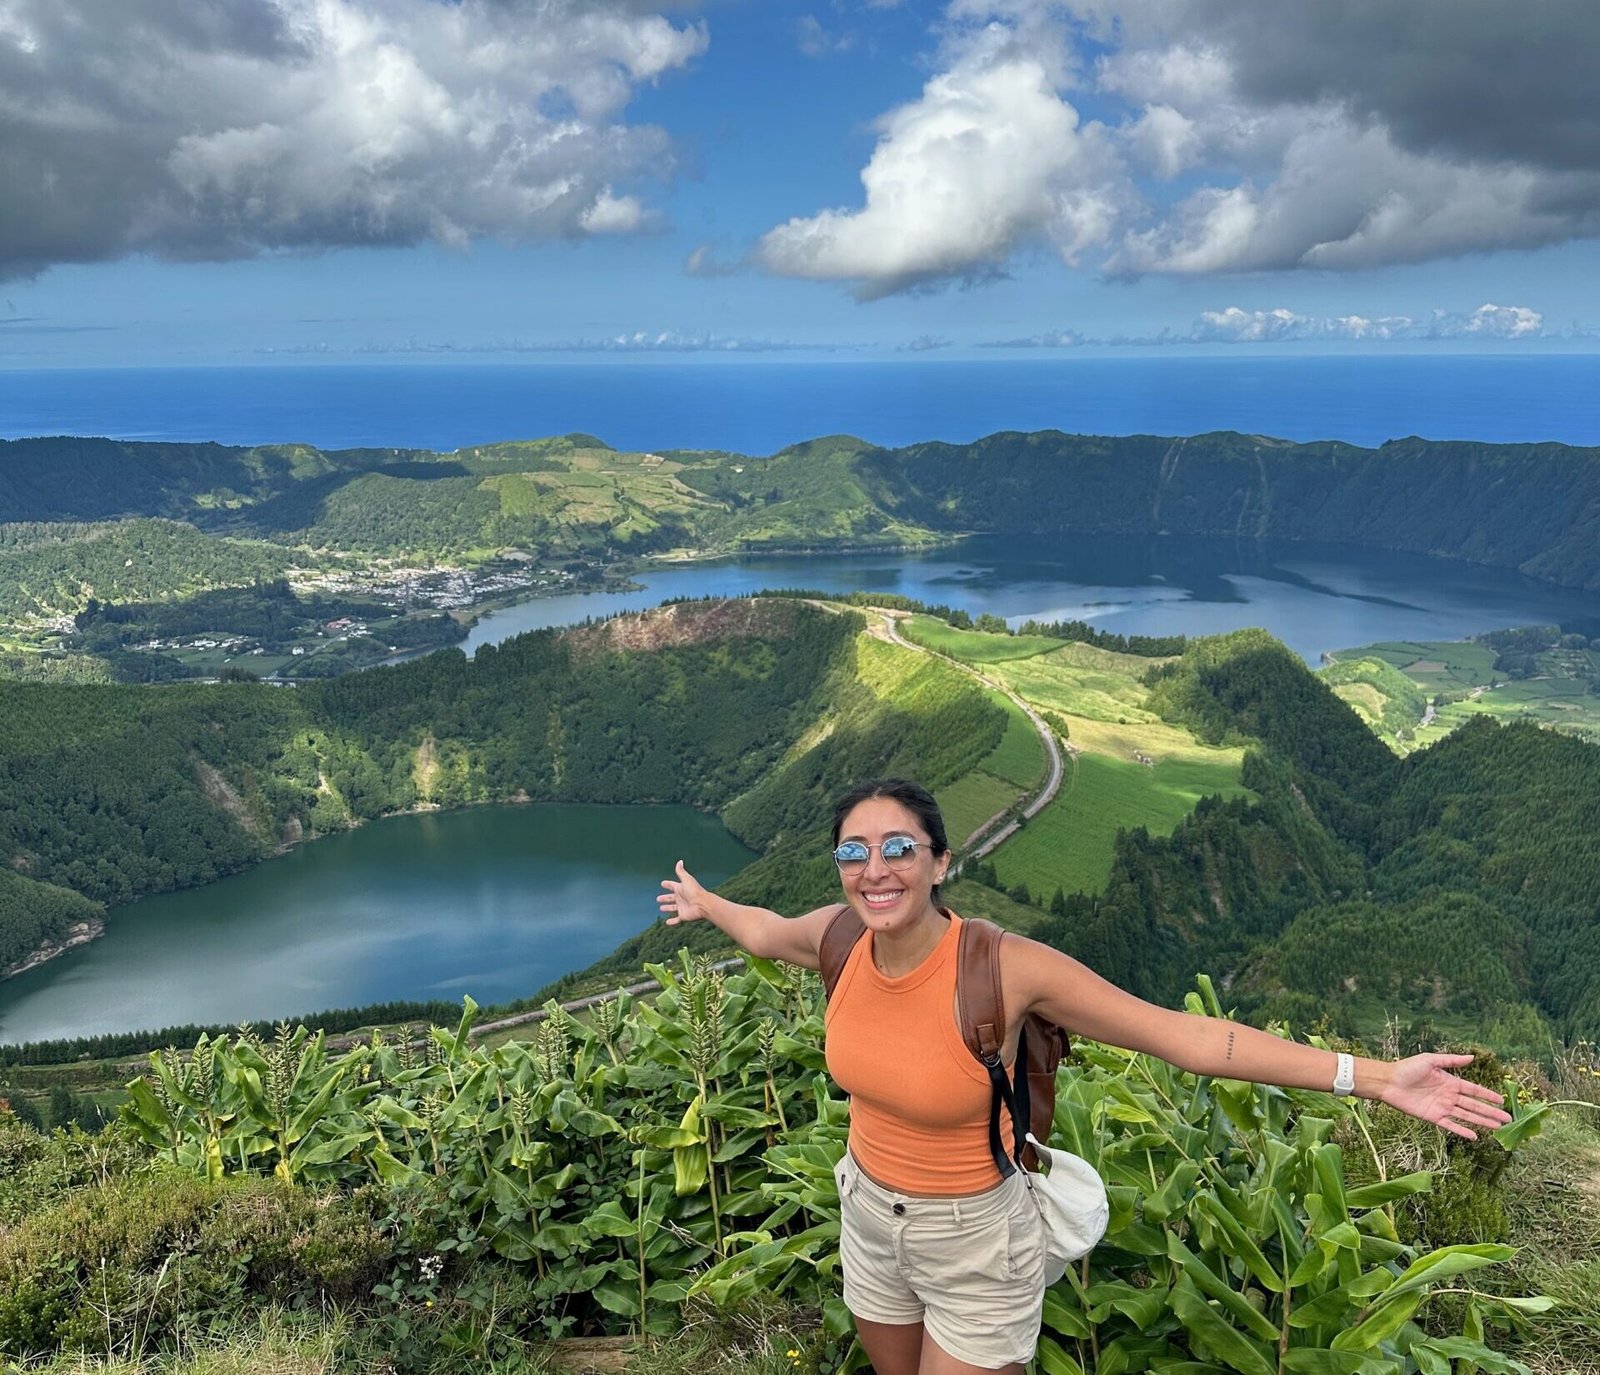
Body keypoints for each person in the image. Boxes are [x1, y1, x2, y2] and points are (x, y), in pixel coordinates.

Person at [658, 778, 1510, 1375]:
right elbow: (769, 932)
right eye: (854, 849)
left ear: (940, 861)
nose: (874, 867)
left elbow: (1186, 1038)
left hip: (976, 1240)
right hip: (869, 1215)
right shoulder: (841, 938)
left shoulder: (1004, 966)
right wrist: (709, 904)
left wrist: (1375, 1076)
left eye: (897, 847)